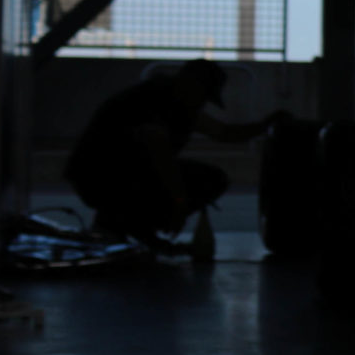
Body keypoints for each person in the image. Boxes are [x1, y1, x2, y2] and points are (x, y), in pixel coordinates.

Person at [64, 60, 281, 255]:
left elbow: (224, 133)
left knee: (208, 179)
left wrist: (263, 126)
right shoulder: (157, 100)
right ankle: (119, 225)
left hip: (106, 175)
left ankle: (130, 228)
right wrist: (179, 203)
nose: (202, 103)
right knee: (201, 181)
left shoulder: (177, 101)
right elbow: (159, 155)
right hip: (101, 177)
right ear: (191, 85)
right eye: (203, 95)